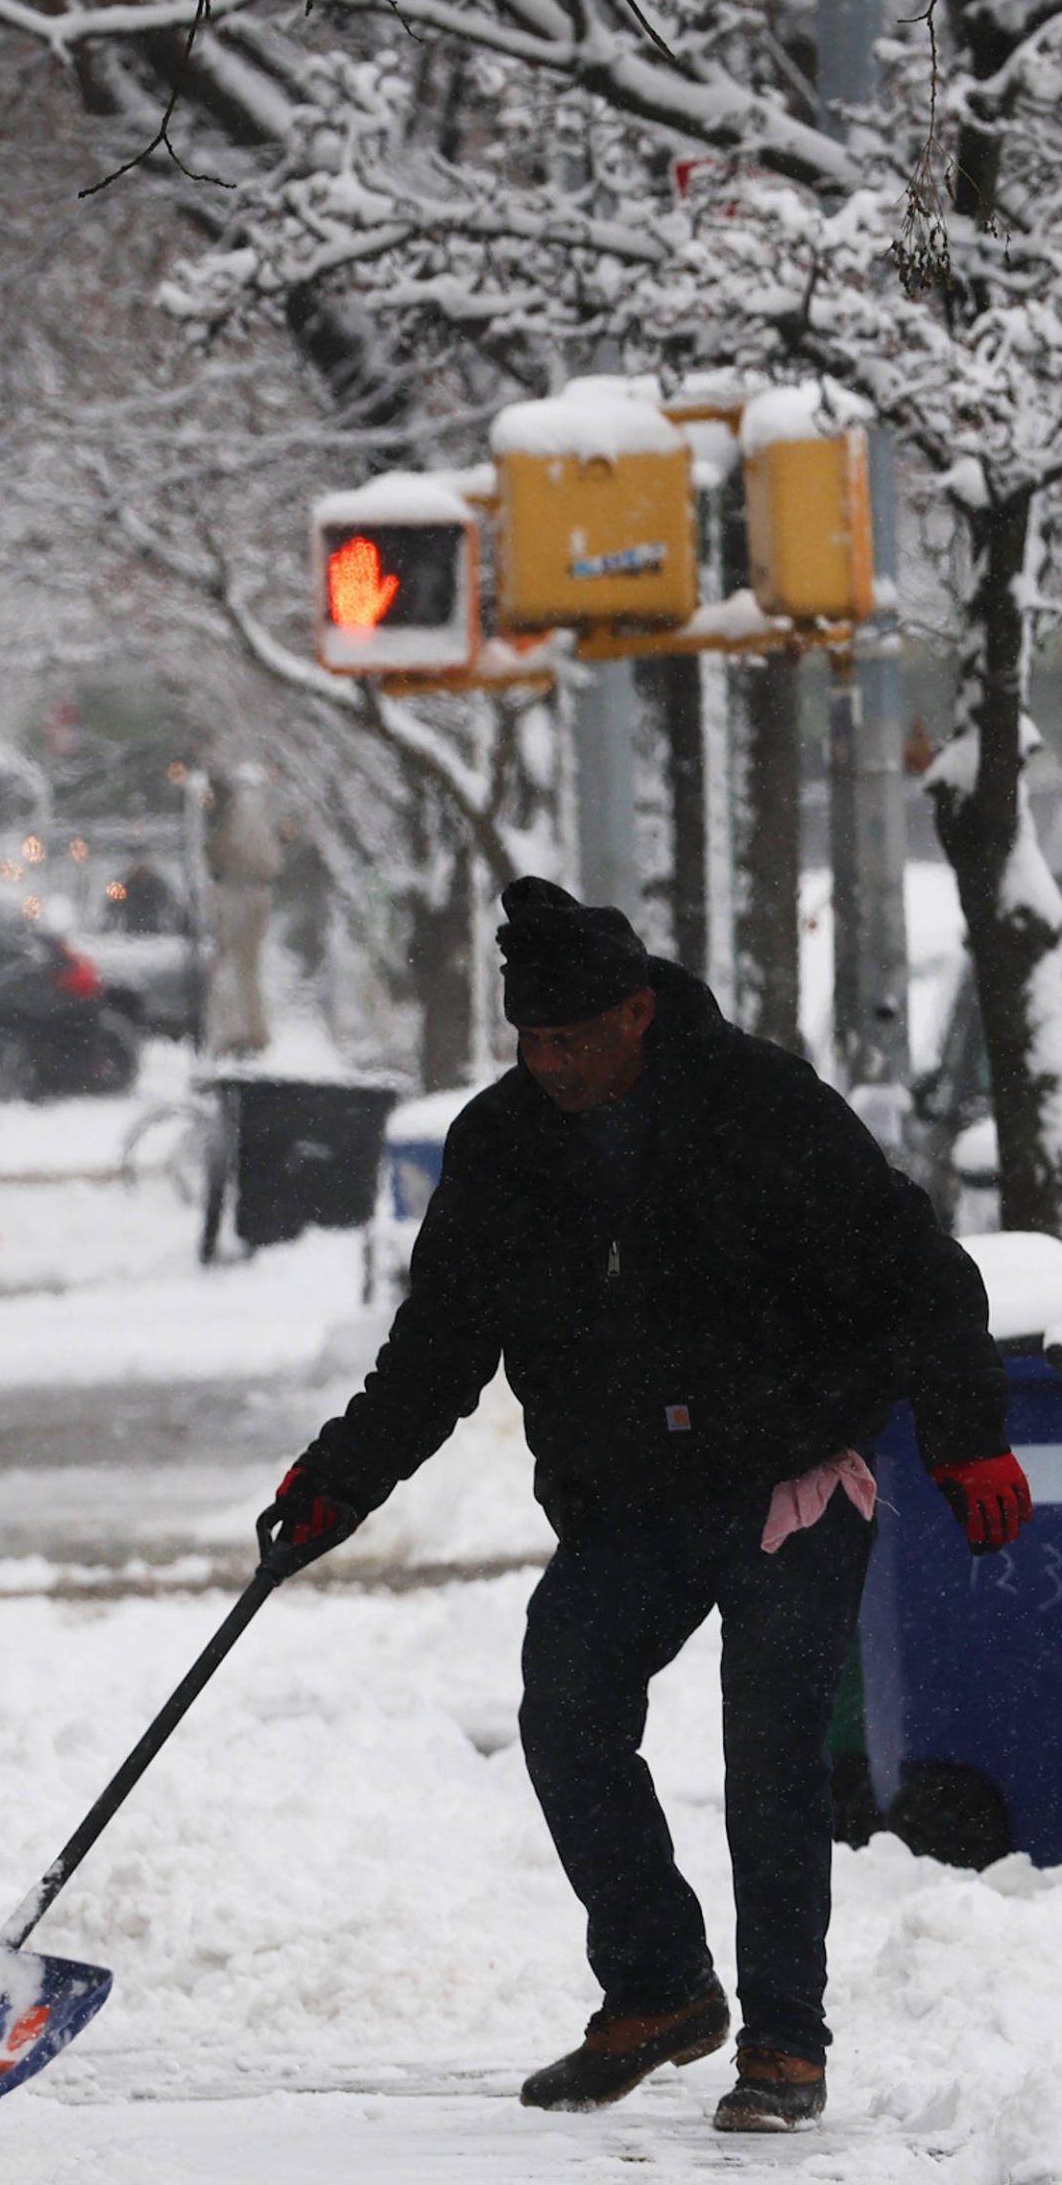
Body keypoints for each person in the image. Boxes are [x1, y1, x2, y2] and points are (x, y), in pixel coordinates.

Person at [258, 879, 1030, 2135]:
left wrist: (968, 1442)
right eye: (532, 1040)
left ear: (638, 1013)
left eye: (574, 1038)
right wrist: (337, 1480)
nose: (550, 1063)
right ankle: (660, 1986)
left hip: (790, 1476)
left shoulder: (764, 1108)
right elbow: (439, 1346)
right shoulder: (503, 1145)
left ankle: (785, 2044)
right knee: (565, 1705)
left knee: (771, 1750)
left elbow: (920, 1278)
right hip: (631, 1492)